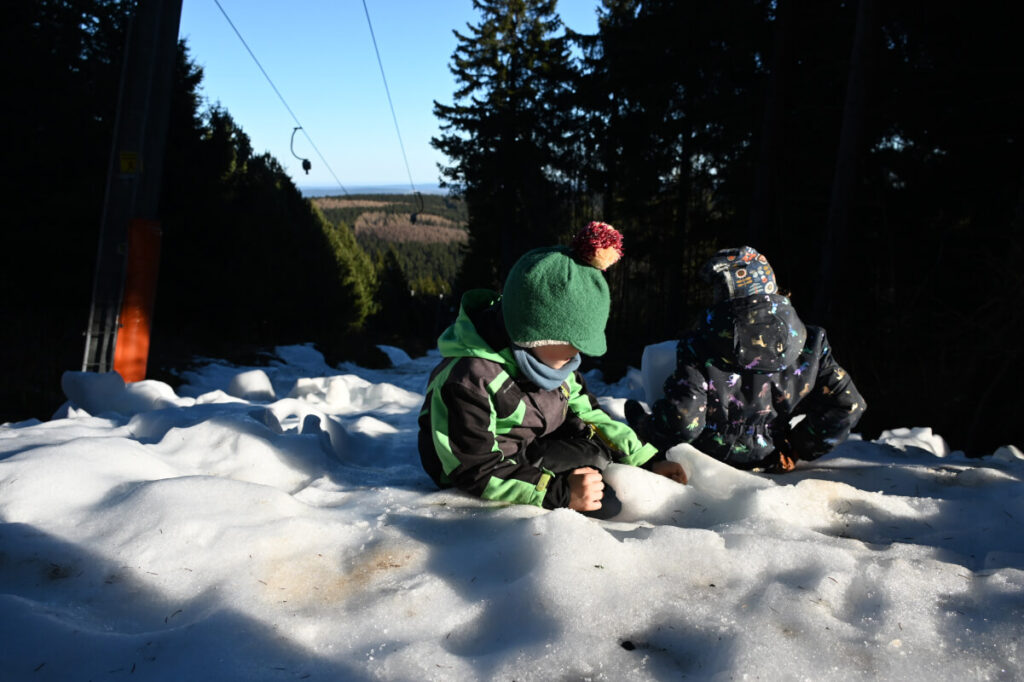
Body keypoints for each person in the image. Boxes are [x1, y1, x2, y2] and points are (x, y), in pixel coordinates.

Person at [418, 222, 687, 518]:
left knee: (598, 457)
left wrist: (646, 461)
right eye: (569, 346)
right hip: (483, 470)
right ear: (532, 335)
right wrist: (558, 492)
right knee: (605, 495)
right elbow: (473, 468)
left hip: (529, 445)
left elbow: (588, 415)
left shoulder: (552, 361)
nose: (574, 358)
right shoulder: (469, 380)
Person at [626, 246, 865, 472]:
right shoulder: (812, 343)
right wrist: (797, 447)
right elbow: (847, 405)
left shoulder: (700, 344)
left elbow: (683, 419)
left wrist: (645, 427)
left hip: (705, 467)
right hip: (772, 460)